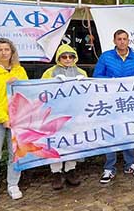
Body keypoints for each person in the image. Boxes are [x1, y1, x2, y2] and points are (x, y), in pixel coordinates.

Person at [93, 29, 134, 184]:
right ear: (114, 41)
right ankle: (109, 168)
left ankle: (130, 164)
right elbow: (96, 76)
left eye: (125, 39)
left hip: (129, 102)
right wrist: (112, 80)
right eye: (119, 39)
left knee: (128, 131)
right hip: (110, 101)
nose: (122, 41)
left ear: (128, 41)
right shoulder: (106, 57)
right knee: (111, 132)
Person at [0, 38, 28, 204]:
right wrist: (4, 118)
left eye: (6, 49)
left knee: (15, 154)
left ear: (12, 52)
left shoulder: (19, 70)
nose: (3, 52)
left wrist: (19, 83)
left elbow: (26, 92)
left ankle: (13, 184)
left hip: (17, 119)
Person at [41, 44, 87, 189]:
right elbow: (41, 91)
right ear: (59, 58)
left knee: (72, 142)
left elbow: (88, 94)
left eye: (71, 56)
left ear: (75, 57)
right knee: (56, 143)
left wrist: (85, 82)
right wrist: (52, 83)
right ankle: (56, 172)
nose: (68, 59)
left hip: (75, 113)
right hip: (56, 114)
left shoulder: (81, 72)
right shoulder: (50, 72)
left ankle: (70, 170)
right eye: (64, 56)